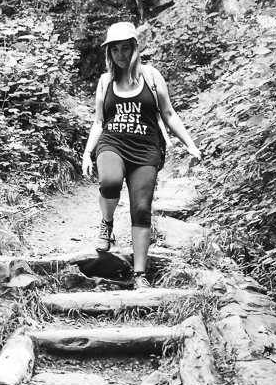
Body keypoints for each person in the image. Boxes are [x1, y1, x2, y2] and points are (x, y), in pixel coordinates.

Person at [81, 21, 200, 290]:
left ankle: (139, 274)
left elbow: (168, 114)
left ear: (136, 48)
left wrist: (190, 144)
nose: (121, 55)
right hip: (113, 144)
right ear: (109, 53)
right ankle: (106, 224)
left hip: (146, 150)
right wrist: (88, 153)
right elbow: (99, 122)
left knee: (142, 208)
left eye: (126, 48)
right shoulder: (105, 82)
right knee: (109, 182)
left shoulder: (151, 77)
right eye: (115, 50)